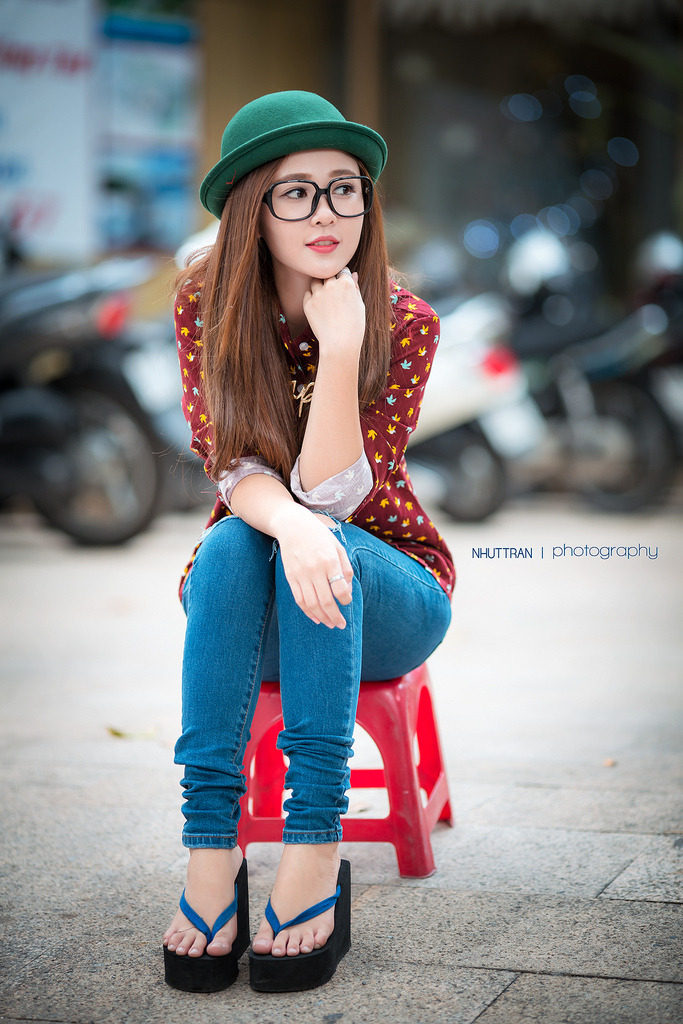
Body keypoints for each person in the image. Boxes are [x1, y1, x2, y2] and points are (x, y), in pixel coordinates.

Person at [162, 90, 455, 995]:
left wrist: (341, 347)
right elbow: (233, 468)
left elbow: (335, 496)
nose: (327, 213)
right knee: (230, 546)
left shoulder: (404, 322)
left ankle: (314, 844)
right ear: (253, 207)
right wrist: (290, 527)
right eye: (296, 192)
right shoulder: (203, 306)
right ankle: (209, 852)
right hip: (254, 591)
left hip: (390, 589)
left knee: (316, 542)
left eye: (344, 189)